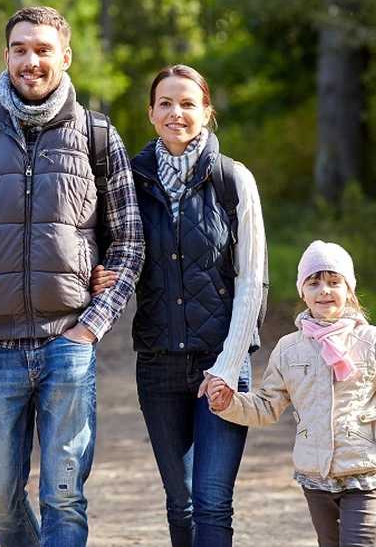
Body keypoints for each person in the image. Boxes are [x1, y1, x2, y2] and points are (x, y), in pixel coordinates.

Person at [0, 5, 144, 546]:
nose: (31, 61)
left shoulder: (97, 135)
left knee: (64, 493)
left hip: (68, 342)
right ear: (6, 56)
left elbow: (131, 239)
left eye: (43, 50)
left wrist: (93, 324)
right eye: (20, 49)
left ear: (65, 57)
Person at [94, 64, 266, 546]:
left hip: (222, 363)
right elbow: (112, 254)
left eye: (188, 103)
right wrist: (98, 274)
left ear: (207, 113)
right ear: (150, 113)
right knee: (181, 502)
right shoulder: (127, 182)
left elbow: (252, 281)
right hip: (158, 365)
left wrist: (228, 367)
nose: (176, 113)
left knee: (212, 501)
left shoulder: (234, 180)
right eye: (165, 103)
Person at [207, 240, 376, 547]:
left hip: (364, 469)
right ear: (303, 292)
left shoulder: (370, 341)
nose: (324, 290)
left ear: (349, 290)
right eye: (314, 283)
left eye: (333, 282)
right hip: (314, 475)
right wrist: (229, 403)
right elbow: (266, 406)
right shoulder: (289, 349)